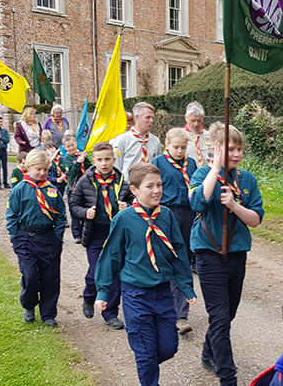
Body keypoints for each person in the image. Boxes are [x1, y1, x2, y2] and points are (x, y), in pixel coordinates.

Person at [95, 162, 197, 386]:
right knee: (145, 352)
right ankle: (148, 372)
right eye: (150, 186)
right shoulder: (123, 219)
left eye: (159, 185)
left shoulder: (167, 215)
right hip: (135, 295)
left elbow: (178, 252)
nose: (157, 190)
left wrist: (186, 286)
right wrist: (102, 292)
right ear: (134, 190)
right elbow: (110, 256)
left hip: (163, 293)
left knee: (169, 347)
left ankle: (147, 362)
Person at [190, 122, 264, 386]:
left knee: (228, 314)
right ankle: (227, 377)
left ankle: (209, 350)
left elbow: (255, 219)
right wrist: (216, 169)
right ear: (217, 149)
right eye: (230, 149)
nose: (236, 154)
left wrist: (233, 205)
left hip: (237, 254)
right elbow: (198, 202)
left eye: (239, 149)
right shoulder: (202, 174)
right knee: (219, 317)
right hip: (209, 255)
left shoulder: (247, 180)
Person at [69, 141, 133, 330]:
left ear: (114, 159)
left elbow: (135, 201)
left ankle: (110, 313)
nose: (104, 163)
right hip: (96, 234)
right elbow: (73, 205)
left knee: (114, 275)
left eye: (107, 159)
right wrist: (85, 213)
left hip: (116, 235)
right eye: (99, 160)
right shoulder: (85, 181)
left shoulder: (121, 181)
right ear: (94, 161)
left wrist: (128, 206)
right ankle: (89, 297)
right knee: (97, 272)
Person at [5, 149, 68, 327]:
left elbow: (61, 217)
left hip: (48, 238)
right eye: (38, 169)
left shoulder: (52, 190)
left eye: (45, 170)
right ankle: (29, 305)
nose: (41, 173)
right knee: (30, 275)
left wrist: (57, 237)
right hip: (26, 238)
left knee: (50, 277)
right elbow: (12, 215)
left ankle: (48, 313)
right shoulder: (20, 189)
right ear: (28, 167)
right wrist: (14, 236)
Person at [151, 127, 198, 334]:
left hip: (188, 215)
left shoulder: (192, 164)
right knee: (163, 260)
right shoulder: (158, 164)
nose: (179, 151)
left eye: (183, 147)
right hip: (165, 214)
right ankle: (160, 306)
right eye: (176, 147)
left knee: (183, 260)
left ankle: (181, 314)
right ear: (166, 145)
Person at [111, 102, 160, 180]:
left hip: (149, 185)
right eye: (147, 117)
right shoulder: (122, 140)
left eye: (152, 118)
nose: (151, 121)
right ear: (137, 117)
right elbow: (117, 167)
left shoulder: (155, 141)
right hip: (129, 186)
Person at [60, 130, 90, 243]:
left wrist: (85, 159)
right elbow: (71, 173)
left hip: (86, 187)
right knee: (75, 212)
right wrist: (78, 163)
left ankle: (85, 232)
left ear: (76, 144)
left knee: (86, 210)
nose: (71, 147)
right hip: (74, 188)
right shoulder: (65, 159)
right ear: (65, 147)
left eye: (73, 145)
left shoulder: (80, 155)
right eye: (68, 146)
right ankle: (77, 235)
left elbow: (90, 168)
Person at [184, 101, 213, 167]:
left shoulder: (210, 136)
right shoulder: (179, 136)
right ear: (186, 118)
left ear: (203, 118)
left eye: (199, 120)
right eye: (193, 121)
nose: (196, 124)